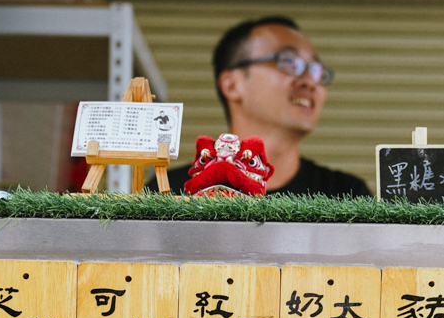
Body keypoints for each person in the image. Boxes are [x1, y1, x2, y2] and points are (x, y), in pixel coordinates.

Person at [156, 16, 371, 198]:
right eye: (289, 61)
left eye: (316, 70)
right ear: (232, 85)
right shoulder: (173, 192)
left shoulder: (346, 195)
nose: (310, 81)